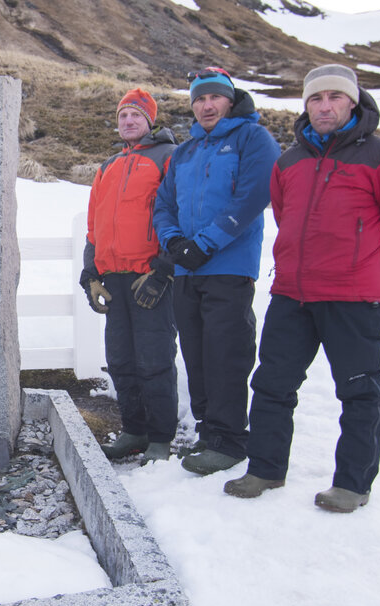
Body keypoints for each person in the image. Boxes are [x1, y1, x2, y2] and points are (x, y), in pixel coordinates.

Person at [224, 64, 380, 512]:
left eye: (334, 97)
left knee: (360, 390)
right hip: (292, 294)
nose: (324, 106)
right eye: (315, 99)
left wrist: (371, 268)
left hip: (353, 299)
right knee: (272, 385)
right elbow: (285, 215)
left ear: (353, 102)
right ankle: (265, 469)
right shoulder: (290, 161)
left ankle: (352, 484)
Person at [153, 66, 281, 476]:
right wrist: (173, 241)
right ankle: (209, 431)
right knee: (196, 351)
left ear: (230, 99)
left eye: (214, 98)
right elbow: (164, 203)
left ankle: (229, 439)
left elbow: (252, 197)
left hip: (228, 265)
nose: (207, 106)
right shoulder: (186, 151)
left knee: (226, 352)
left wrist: (205, 243)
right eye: (199, 99)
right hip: (188, 270)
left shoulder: (252, 138)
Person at [80, 88, 179, 465]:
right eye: (123, 115)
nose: (129, 121)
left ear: (150, 120)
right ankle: (134, 430)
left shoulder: (167, 157)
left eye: (136, 115)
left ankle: (161, 436)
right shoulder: (107, 166)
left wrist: (163, 271)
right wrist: (90, 274)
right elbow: (94, 226)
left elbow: (177, 213)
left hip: (148, 278)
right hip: (114, 278)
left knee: (154, 359)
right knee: (121, 359)